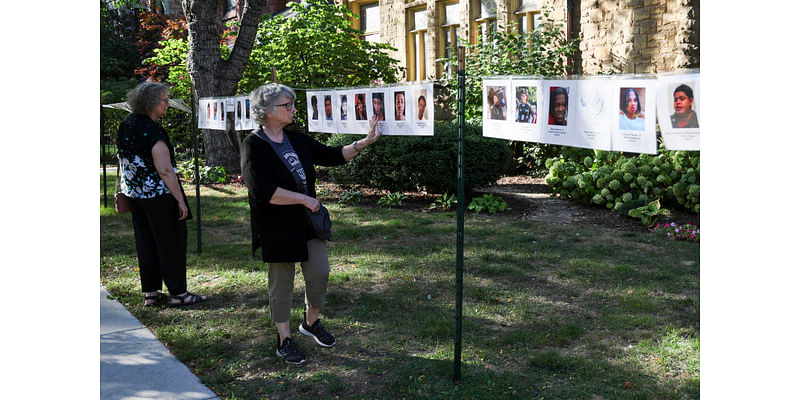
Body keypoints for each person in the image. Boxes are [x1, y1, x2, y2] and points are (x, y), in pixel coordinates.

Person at [241, 83, 382, 365]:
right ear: (267, 111)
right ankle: (284, 339)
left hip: (307, 223)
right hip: (276, 225)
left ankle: (310, 323)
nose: (293, 109)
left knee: (319, 272)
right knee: (281, 284)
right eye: (287, 105)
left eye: (292, 104)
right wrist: (305, 200)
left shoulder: (296, 138)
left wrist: (364, 142)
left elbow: (330, 156)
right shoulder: (253, 144)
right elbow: (262, 190)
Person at [116, 82, 205, 308]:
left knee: (146, 241)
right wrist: (179, 200)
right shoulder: (153, 130)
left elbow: (122, 159)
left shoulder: (126, 124)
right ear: (152, 102)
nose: (168, 104)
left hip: (136, 195)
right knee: (170, 243)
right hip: (158, 195)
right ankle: (178, 293)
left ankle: (151, 293)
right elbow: (164, 170)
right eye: (165, 100)